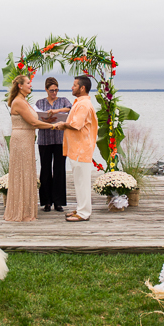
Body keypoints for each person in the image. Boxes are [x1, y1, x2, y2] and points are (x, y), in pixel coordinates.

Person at [4, 75, 56, 222]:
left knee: (27, 172)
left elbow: (36, 118)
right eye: (28, 82)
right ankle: (20, 212)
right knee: (21, 172)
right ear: (20, 86)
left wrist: (49, 118)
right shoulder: (18, 102)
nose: (30, 84)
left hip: (27, 138)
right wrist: (54, 126)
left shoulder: (24, 101)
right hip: (21, 139)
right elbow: (33, 122)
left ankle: (27, 210)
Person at [57, 75, 99, 223]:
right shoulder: (80, 103)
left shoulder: (83, 105)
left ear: (82, 88)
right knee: (79, 181)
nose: (71, 87)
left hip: (81, 149)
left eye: (74, 85)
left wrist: (62, 124)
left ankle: (84, 212)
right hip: (77, 148)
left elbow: (76, 124)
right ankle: (81, 208)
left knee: (82, 182)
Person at [35, 77, 72, 213]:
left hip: (60, 140)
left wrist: (56, 112)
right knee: (45, 170)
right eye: (51, 90)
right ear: (46, 89)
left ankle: (58, 202)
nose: (54, 93)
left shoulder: (63, 100)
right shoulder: (40, 102)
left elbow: (70, 108)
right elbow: (35, 116)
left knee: (59, 170)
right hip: (44, 140)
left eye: (56, 90)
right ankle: (46, 202)